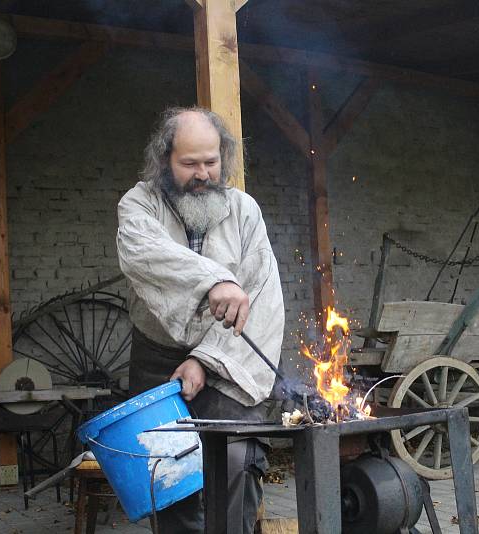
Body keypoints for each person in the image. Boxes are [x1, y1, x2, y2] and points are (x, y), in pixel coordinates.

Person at [116, 106, 285, 533]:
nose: (202, 173)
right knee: (169, 476)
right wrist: (214, 281)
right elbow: (147, 255)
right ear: (165, 160)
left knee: (235, 461)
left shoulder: (245, 211)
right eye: (189, 163)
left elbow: (261, 294)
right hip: (156, 359)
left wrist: (205, 360)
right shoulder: (139, 204)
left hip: (227, 356)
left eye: (211, 162)